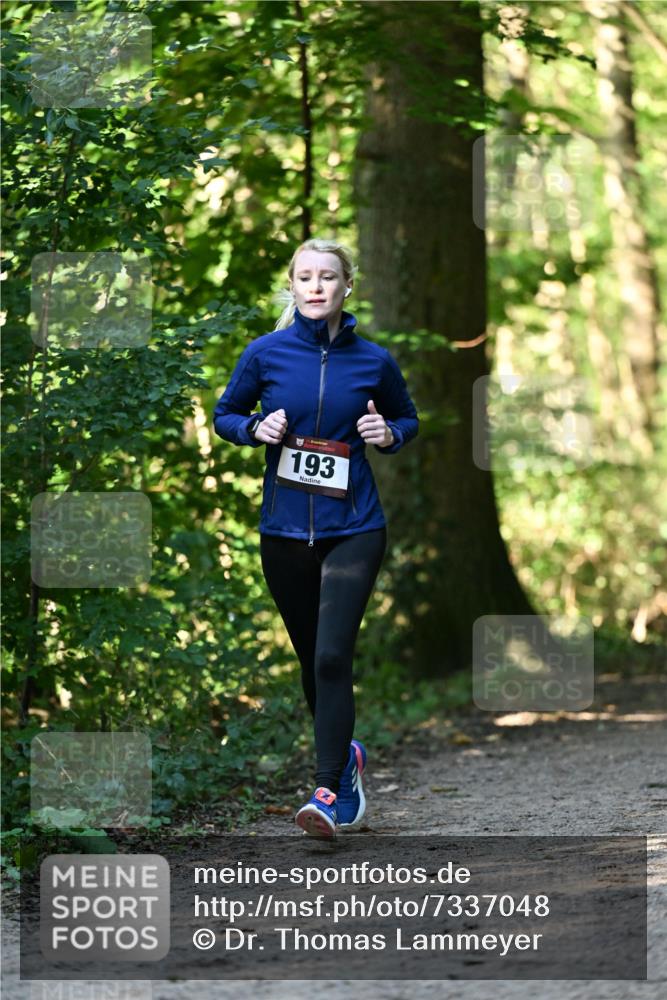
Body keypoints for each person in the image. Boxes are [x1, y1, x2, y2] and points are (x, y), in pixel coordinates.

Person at [213, 238, 419, 839]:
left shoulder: (373, 360)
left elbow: (407, 418)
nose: (316, 286)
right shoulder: (265, 354)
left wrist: (389, 432)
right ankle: (347, 761)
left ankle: (326, 791)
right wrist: (256, 428)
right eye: (305, 277)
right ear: (293, 285)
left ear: (345, 287)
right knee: (313, 663)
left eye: (328, 277)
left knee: (333, 656)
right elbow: (226, 414)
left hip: (354, 527)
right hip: (282, 532)